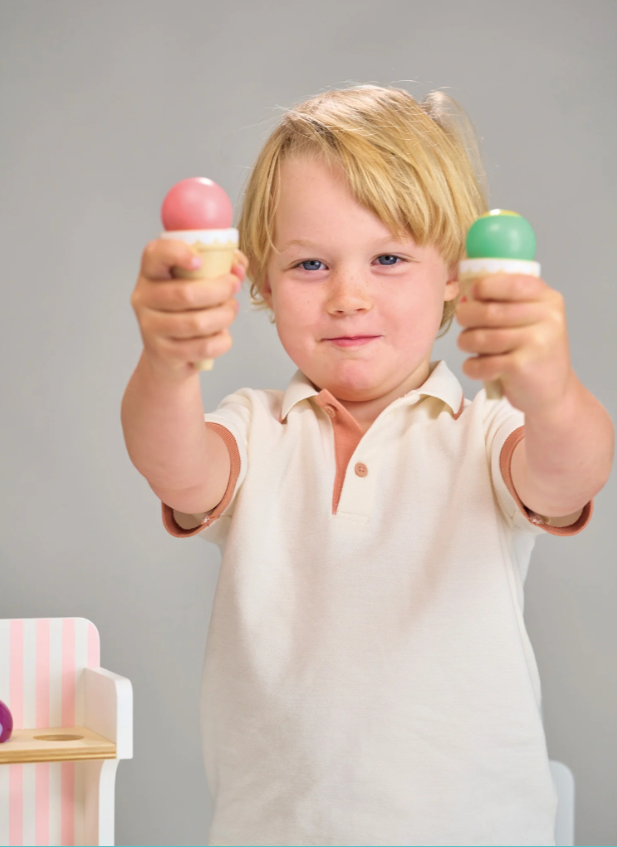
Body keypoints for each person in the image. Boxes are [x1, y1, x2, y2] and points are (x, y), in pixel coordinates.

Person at [121, 85, 614, 846]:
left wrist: (549, 392)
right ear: (259, 282)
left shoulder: (484, 434)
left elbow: (570, 472)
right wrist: (167, 361)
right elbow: (175, 466)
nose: (348, 296)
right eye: (311, 264)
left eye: (388, 258)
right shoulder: (257, 431)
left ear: (453, 271)